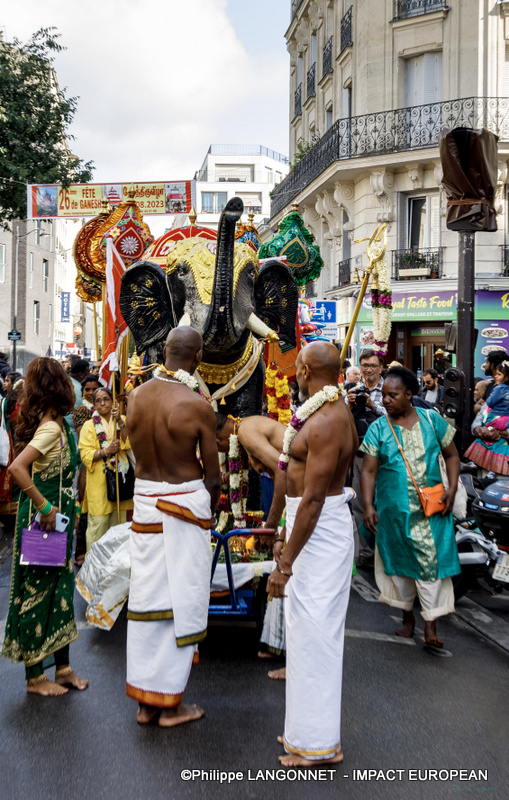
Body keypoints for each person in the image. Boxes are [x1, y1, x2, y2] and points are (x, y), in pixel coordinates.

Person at [267, 341, 357, 767]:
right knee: (304, 638)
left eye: (294, 366)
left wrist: (284, 565)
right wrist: (283, 531)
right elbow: (298, 491)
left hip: (320, 534)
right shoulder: (322, 411)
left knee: (317, 640)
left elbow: (315, 499)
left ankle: (320, 747)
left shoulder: (327, 421)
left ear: (303, 371)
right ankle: (309, 735)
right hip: (309, 530)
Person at [125, 327, 220, 727]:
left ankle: (147, 704)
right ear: (198, 358)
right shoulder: (196, 405)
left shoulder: (135, 397)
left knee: (146, 600)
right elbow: (213, 478)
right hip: (185, 505)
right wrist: (208, 514)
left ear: (163, 352)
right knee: (182, 602)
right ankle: (172, 706)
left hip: (146, 505)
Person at [2, 357, 87, 695]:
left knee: (61, 591)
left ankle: (63, 668)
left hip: (61, 522)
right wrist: (45, 507)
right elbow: (17, 469)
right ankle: (35, 677)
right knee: (38, 593)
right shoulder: (51, 428)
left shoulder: (61, 424)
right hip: (44, 523)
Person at [360, 366, 461, 653]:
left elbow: (452, 455)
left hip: (433, 510)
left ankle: (431, 624)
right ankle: (408, 618)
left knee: (432, 568)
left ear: (409, 394)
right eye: (383, 395)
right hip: (393, 514)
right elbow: (367, 472)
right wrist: (368, 506)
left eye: (392, 395)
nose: (386, 400)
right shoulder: (378, 428)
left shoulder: (432, 420)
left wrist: (452, 488)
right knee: (400, 568)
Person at [215, 413, 286, 674]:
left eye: (217, 446)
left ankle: (297, 659)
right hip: (298, 496)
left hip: (302, 493)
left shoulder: (244, 432)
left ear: (219, 438)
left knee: (289, 570)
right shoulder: (243, 432)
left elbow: (283, 474)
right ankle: (277, 643)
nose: (219, 451)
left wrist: (270, 527)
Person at [78, 387, 133, 553]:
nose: (102, 403)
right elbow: (85, 453)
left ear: (113, 401)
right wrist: (105, 451)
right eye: (98, 400)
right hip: (99, 482)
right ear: (94, 404)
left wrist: (121, 422)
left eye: (106, 399)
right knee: (98, 526)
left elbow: (130, 442)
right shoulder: (89, 425)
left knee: (119, 526)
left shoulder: (121, 419)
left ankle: (115, 573)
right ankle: (93, 571)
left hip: (121, 479)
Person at [345, 349, 386, 566]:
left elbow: (396, 415)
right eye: (364, 365)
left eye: (372, 365)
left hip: (384, 457)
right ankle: (367, 553)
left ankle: (384, 550)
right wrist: (349, 405)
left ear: (381, 367)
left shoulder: (389, 388)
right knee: (360, 504)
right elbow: (341, 420)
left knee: (384, 503)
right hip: (360, 455)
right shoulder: (353, 389)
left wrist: (373, 406)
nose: (368, 369)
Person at [465, 361, 509, 475]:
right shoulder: (497, 389)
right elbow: (482, 413)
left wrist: (500, 432)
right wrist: (478, 429)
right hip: (486, 461)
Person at [0, 372, 23, 513]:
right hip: (14, 446)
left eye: (8, 381)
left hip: (11, 447)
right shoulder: (14, 407)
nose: (5, 383)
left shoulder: (8, 404)